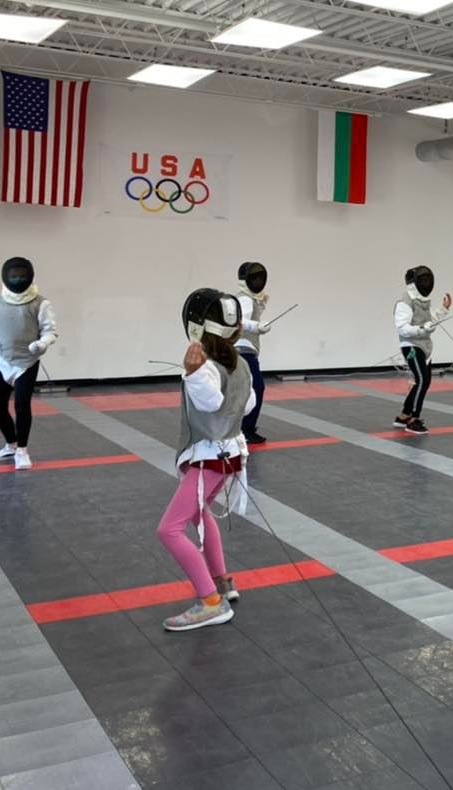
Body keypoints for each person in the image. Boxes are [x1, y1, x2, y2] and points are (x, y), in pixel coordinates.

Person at [157, 289, 254, 632]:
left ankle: (211, 602)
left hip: (210, 459)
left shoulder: (209, 367)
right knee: (200, 513)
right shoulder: (241, 363)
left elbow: (211, 403)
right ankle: (223, 583)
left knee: (169, 529)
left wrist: (194, 373)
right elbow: (248, 404)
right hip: (231, 455)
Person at [0, 256, 56, 471]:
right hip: (3, 362)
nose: (17, 279)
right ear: (5, 276)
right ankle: (11, 444)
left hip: (27, 363)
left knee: (21, 406)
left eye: (22, 275)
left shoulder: (40, 303)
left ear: (30, 276)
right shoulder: (0, 302)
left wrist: (42, 344)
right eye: (13, 275)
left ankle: (22, 450)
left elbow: (50, 331)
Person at [394, 265, 450, 433]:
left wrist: (444, 309)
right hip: (411, 346)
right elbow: (402, 328)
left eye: (427, 280)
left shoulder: (424, 302)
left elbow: (430, 320)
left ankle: (404, 416)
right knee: (422, 380)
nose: (426, 283)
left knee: (424, 381)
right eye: (423, 280)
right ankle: (414, 419)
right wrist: (421, 329)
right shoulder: (405, 302)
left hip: (425, 346)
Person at [235, 261, 271, 445]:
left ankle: (242, 427)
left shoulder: (246, 298)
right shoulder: (245, 299)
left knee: (245, 389)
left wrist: (260, 306)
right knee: (257, 387)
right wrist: (257, 326)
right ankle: (246, 429)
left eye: (260, 278)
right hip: (244, 350)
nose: (258, 282)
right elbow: (239, 321)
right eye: (254, 278)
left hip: (242, 349)